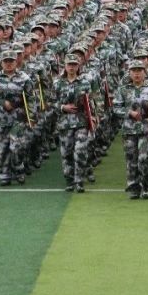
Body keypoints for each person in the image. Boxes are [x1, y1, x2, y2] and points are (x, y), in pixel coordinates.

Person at [114, 59, 148, 199]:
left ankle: (145, 186)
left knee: (143, 158)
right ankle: (134, 187)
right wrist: (129, 113)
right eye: (134, 71)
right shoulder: (123, 89)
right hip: (129, 130)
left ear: (144, 73)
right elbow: (116, 108)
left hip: (146, 130)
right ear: (129, 73)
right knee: (131, 159)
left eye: (139, 71)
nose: (137, 74)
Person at [0, 50, 34, 186]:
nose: (8, 64)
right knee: (2, 148)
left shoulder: (24, 78)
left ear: (16, 62)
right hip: (0, 118)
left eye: (11, 61)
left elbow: (31, 99)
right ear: (1, 63)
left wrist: (31, 117)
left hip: (18, 118)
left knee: (16, 147)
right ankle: (4, 173)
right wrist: (2, 103)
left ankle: (18, 168)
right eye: (5, 61)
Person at [55, 52, 95, 193]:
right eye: (69, 65)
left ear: (79, 66)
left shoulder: (84, 83)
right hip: (64, 123)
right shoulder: (57, 83)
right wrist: (62, 107)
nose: (71, 67)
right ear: (64, 66)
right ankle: (69, 180)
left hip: (81, 122)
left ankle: (79, 180)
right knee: (66, 153)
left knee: (80, 151)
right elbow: (48, 102)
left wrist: (93, 117)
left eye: (74, 65)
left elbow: (91, 102)